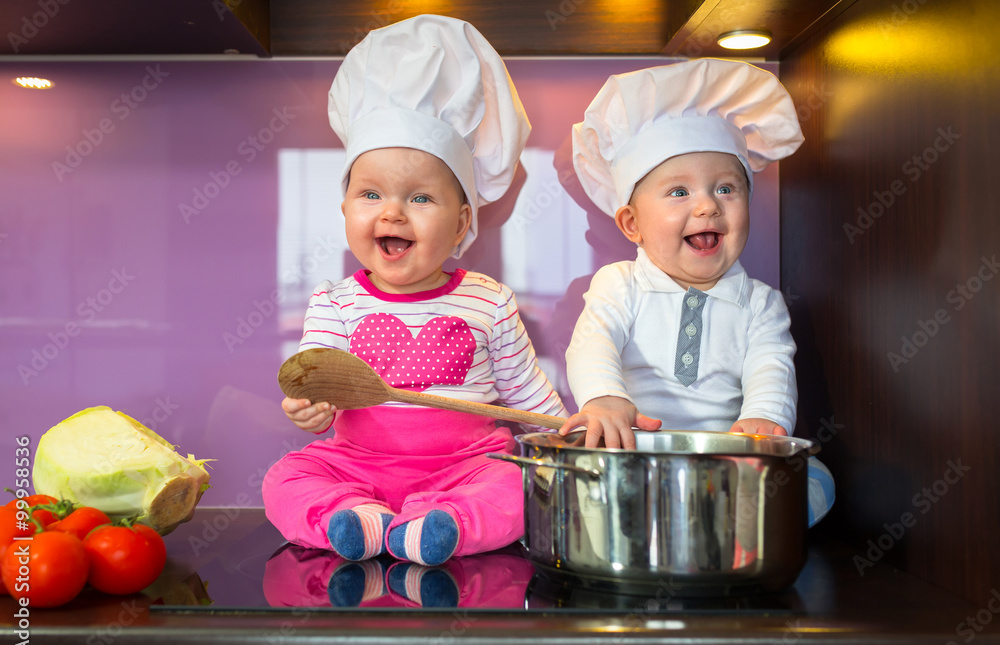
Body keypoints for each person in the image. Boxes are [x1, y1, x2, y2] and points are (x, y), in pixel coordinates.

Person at [263, 15, 567, 566]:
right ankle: (353, 518)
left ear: (461, 224)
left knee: (520, 484)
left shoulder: (489, 300)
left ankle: (442, 524)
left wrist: (569, 429)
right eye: (370, 193)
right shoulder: (334, 304)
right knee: (286, 477)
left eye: (421, 198)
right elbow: (320, 387)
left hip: (465, 467)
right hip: (356, 464)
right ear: (345, 208)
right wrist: (309, 409)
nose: (393, 211)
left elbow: (526, 395)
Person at [558, 58, 834, 525]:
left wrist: (764, 420)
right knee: (580, 477)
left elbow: (771, 364)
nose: (707, 205)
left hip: (727, 460)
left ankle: (716, 518)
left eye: (726, 189)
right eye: (679, 192)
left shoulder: (761, 303)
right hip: (635, 454)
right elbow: (594, 341)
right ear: (632, 224)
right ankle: (691, 520)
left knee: (816, 479)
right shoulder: (619, 284)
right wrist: (604, 397)